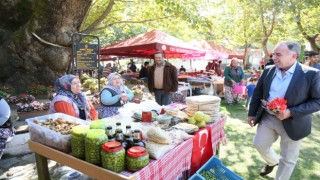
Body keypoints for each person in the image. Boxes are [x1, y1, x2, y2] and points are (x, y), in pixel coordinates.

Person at [247, 41, 320, 180]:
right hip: (268, 118)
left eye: (278, 54)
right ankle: (272, 161)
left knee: (287, 159)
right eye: (273, 54)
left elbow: (317, 101)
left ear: (293, 56)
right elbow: (258, 93)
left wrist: (291, 112)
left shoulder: (312, 74)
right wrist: (251, 113)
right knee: (259, 144)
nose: (274, 58)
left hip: (294, 122)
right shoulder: (268, 70)